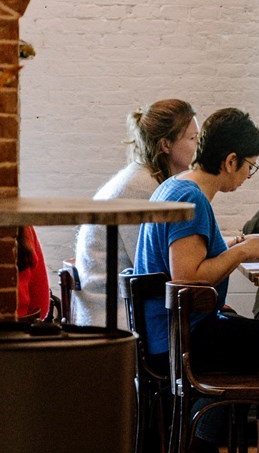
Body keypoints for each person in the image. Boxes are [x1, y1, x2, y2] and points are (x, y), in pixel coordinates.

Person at [135, 108, 259, 453]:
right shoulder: (190, 197)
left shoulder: (176, 186)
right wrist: (242, 252)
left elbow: (190, 257)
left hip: (172, 331)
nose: (247, 174)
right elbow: (187, 276)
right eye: (249, 166)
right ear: (230, 160)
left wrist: (236, 245)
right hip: (182, 338)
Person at [71, 99, 198, 326]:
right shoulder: (143, 187)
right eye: (192, 138)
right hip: (113, 313)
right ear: (166, 145)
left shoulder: (143, 177)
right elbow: (153, 266)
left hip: (114, 303)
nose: (198, 145)